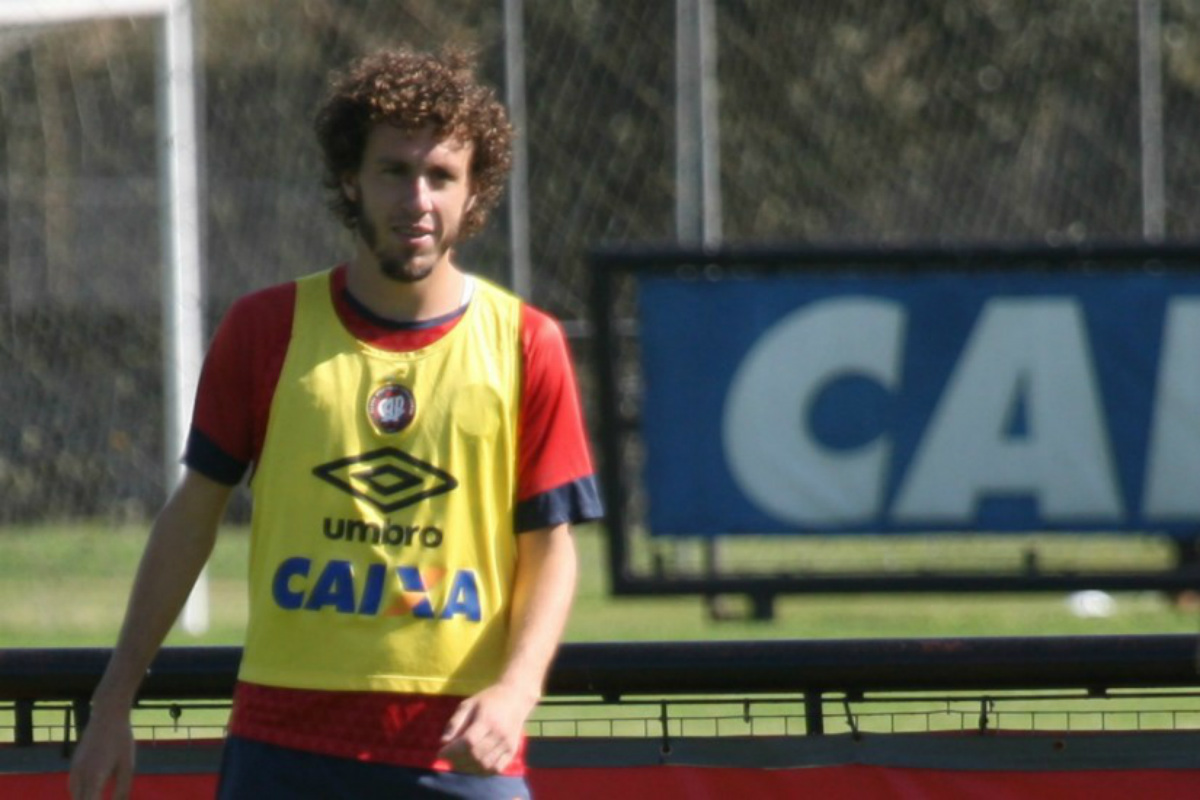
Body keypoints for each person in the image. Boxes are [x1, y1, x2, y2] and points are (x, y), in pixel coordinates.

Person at [68, 45, 602, 800]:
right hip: (282, 742)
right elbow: (192, 515)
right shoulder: (265, 328)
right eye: (394, 171)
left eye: (441, 175)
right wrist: (113, 702)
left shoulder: (526, 345)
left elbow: (550, 548)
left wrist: (517, 691)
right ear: (351, 178)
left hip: (456, 751)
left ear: (473, 191)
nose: (417, 199)